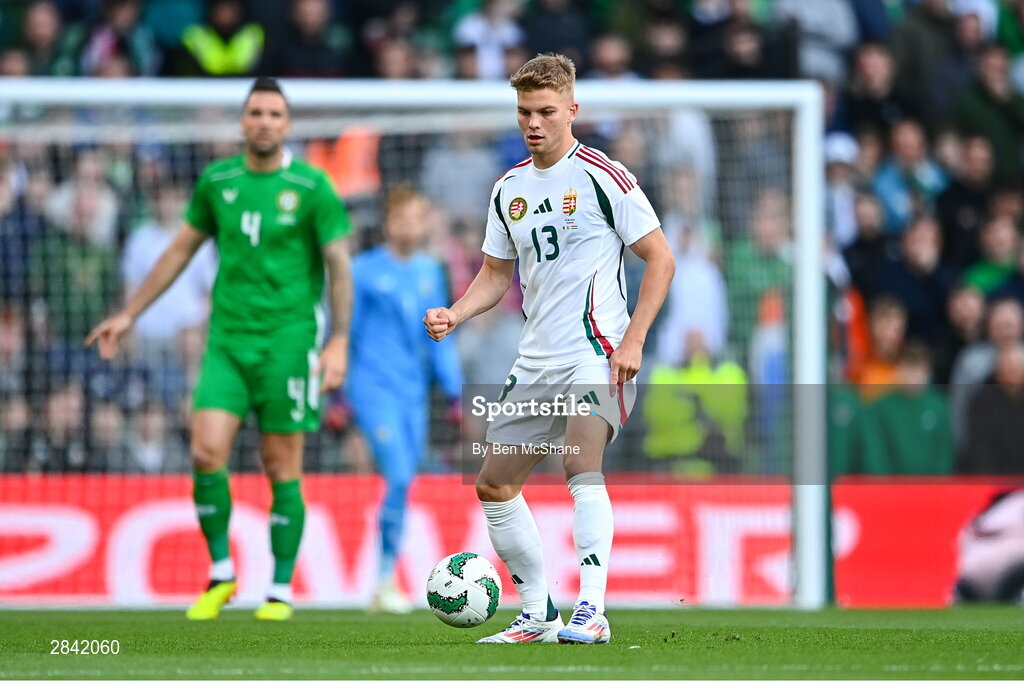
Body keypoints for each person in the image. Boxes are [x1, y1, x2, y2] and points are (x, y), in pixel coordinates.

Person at [424, 54, 675, 644]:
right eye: (524, 112)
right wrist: (456, 313)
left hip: (598, 351)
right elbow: (494, 273)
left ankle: (592, 610)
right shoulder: (508, 188)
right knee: (493, 483)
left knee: (580, 461)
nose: (533, 123)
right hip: (534, 360)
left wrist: (634, 339)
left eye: (545, 111)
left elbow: (660, 257)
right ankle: (538, 614)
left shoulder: (602, 176)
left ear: (571, 110)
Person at [85, 78, 353, 621]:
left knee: (281, 465)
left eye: (274, 114)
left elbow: (340, 267)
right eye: (255, 112)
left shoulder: (311, 186)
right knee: (205, 451)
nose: (264, 122)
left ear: (288, 125)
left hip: (288, 343)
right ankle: (222, 574)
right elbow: (179, 252)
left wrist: (339, 341)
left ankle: (279, 589)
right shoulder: (218, 181)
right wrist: (129, 313)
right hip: (226, 343)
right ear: (242, 122)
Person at [346, 187, 463, 613]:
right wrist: (339, 393)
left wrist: (454, 390)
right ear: (390, 222)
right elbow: (346, 331)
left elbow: (440, 336)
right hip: (372, 386)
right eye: (404, 218)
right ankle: (382, 580)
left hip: (412, 393)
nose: (412, 226)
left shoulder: (431, 271)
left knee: (405, 480)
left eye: (419, 218)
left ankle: (384, 578)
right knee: (397, 475)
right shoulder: (362, 270)